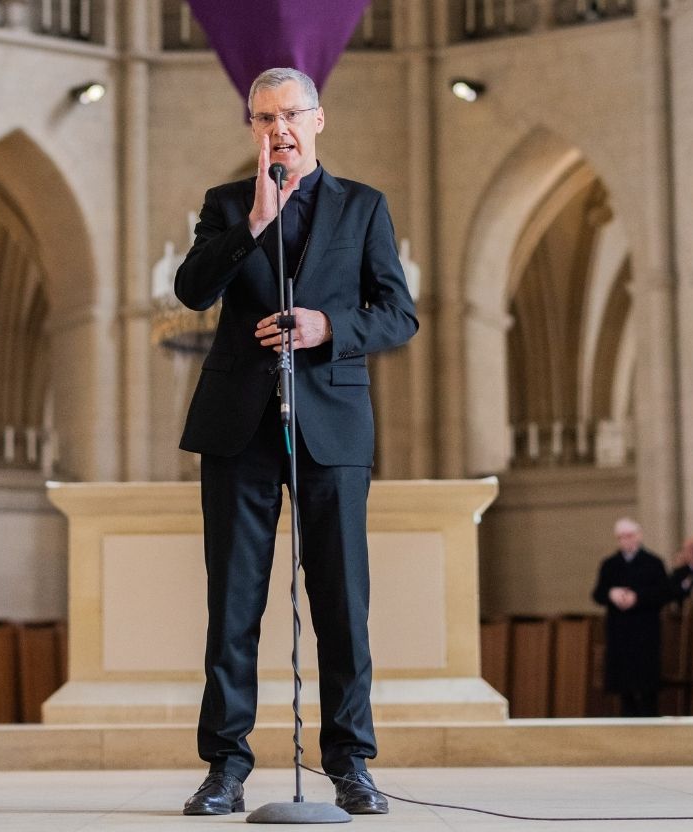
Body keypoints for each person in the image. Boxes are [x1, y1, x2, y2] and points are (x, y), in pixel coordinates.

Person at [173, 67, 418, 817]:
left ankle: (351, 765)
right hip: (238, 426)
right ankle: (225, 768)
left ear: (318, 120)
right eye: (264, 117)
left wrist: (328, 327)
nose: (278, 128)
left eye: (291, 114)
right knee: (233, 604)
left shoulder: (363, 206)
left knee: (342, 602)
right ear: (252, 128)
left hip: (331, 424)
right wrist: (254, 222)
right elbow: (192, 290)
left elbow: (399, 314)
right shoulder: (226, 205)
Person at [591, 519, 674, 717]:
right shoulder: (610, 564)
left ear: (638, 536)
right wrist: (612, 594)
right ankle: (627, 716)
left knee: (646, 680)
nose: (625, 540)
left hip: (645, 628)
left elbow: (665, 593)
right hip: (620, 629)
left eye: (628, 536)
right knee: (623, 683)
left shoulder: (653, 563)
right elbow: (597, 594)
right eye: (621, 537)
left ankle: (650, 718)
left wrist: (638, 597)